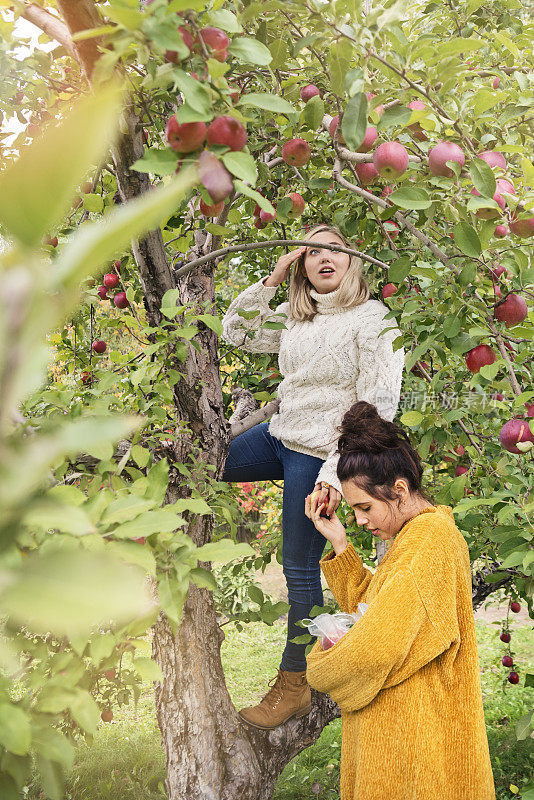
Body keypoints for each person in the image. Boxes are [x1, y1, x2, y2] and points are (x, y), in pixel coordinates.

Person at [220, 223, 405, 730]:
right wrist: (272, 278)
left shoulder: (372, 320)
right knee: (202, 466)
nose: (325, 257)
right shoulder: (297, 318)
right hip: (278, 437)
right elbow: (236, 331)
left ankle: (295, 683)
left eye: (335, 249)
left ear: (351, 260)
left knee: (299, 566)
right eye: (312, 251)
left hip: (320, 453)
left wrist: (332, 470)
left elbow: (379, 406)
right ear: (302, 265)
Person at [304, 401, 496, 800]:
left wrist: (319, 668)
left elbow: (373, 649)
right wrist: (339, 544)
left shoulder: (430, 541)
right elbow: (374, 613)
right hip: (406, 733)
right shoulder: (415, 539)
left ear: (400, 491)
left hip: (411, 744)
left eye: (365, 508)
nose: (360, 520)